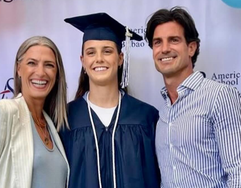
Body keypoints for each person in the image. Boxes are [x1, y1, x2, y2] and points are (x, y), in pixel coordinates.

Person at [60, 13, 160, 188]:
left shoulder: (146, 117)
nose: (99, 59)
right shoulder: (66, 119)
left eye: (107, 51)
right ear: (83, 61)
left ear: (120, 58)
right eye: (91, 52)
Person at [145, 6, 241, 187]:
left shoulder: (219, 96)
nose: (164, 49)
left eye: (173, 40)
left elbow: (238, 173)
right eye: (158, 42)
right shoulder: (164, 111)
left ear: (191, 48)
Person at [0, 36, 70, 188]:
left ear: (57, 74)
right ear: (19, 69)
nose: (41, 72)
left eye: (49, 65)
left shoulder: (53, 125)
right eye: (32, 63)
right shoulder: (2, 112)